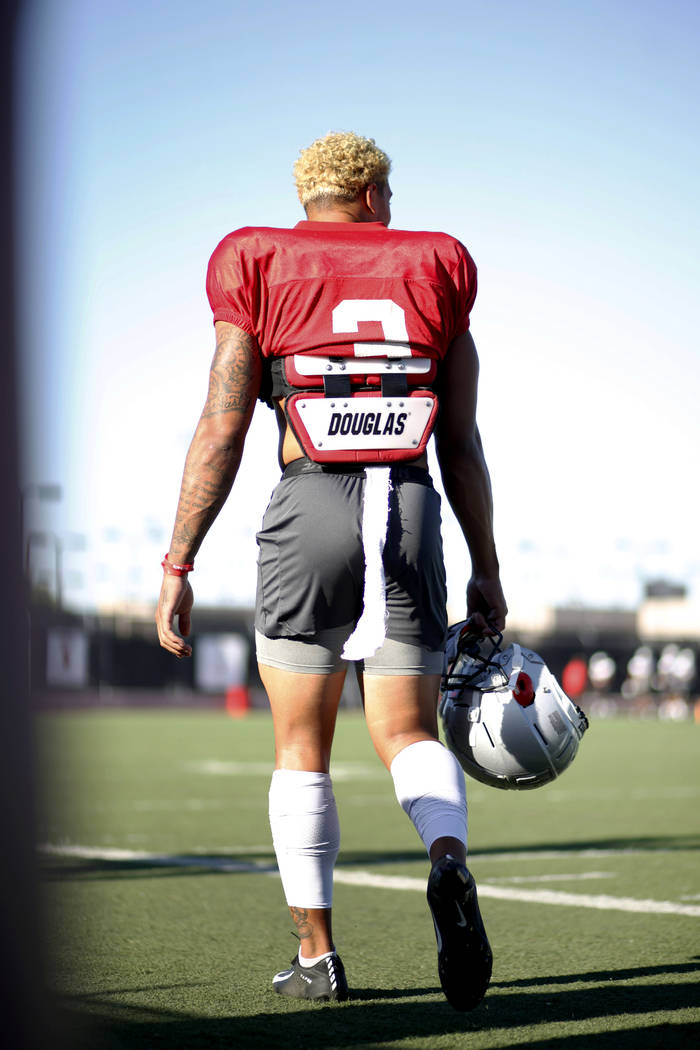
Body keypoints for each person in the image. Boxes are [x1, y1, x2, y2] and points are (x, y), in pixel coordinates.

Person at [156, 131, 507, 1010]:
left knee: (301, 749)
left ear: (308, 198)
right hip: (415, 507)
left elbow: (222, 425)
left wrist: (179, 559)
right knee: (408, 735)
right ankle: (448, 862)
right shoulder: (438, 263)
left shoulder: (257, 258)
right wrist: (488, 570)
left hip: (311, 502)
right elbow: (461, 441)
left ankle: (318, 959)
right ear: (376, 195)